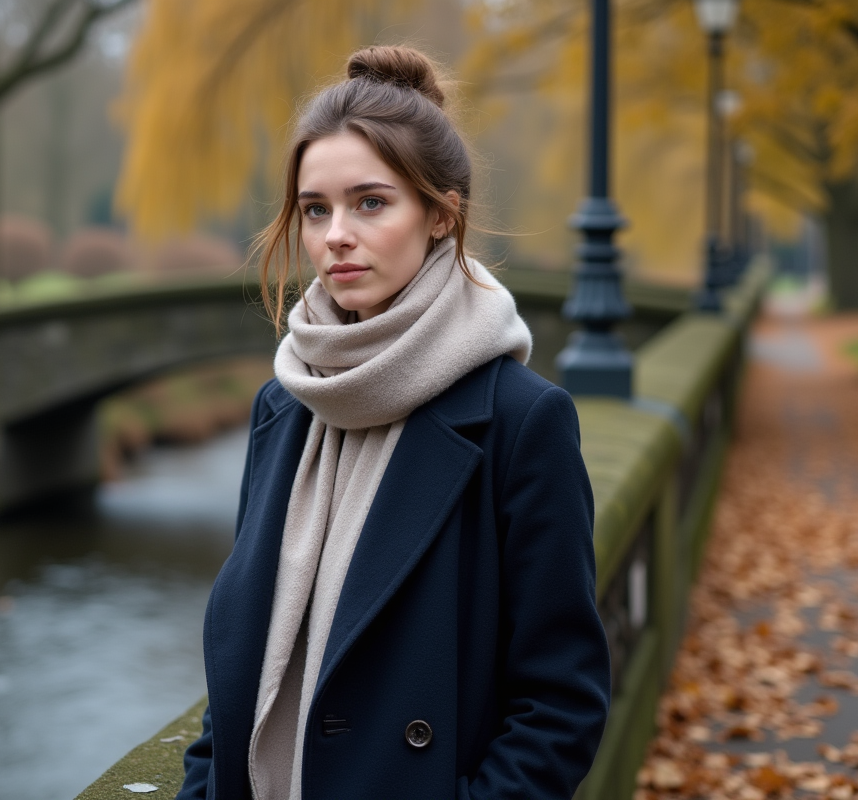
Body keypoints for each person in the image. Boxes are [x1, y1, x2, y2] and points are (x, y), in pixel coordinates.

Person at [177, 45, 610, 800]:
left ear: (442, 214)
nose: (335, 234)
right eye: (316, 209)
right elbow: (244, 663)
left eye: (370, 202)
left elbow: (561, 702)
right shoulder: (283, 406)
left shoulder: (520, 420)